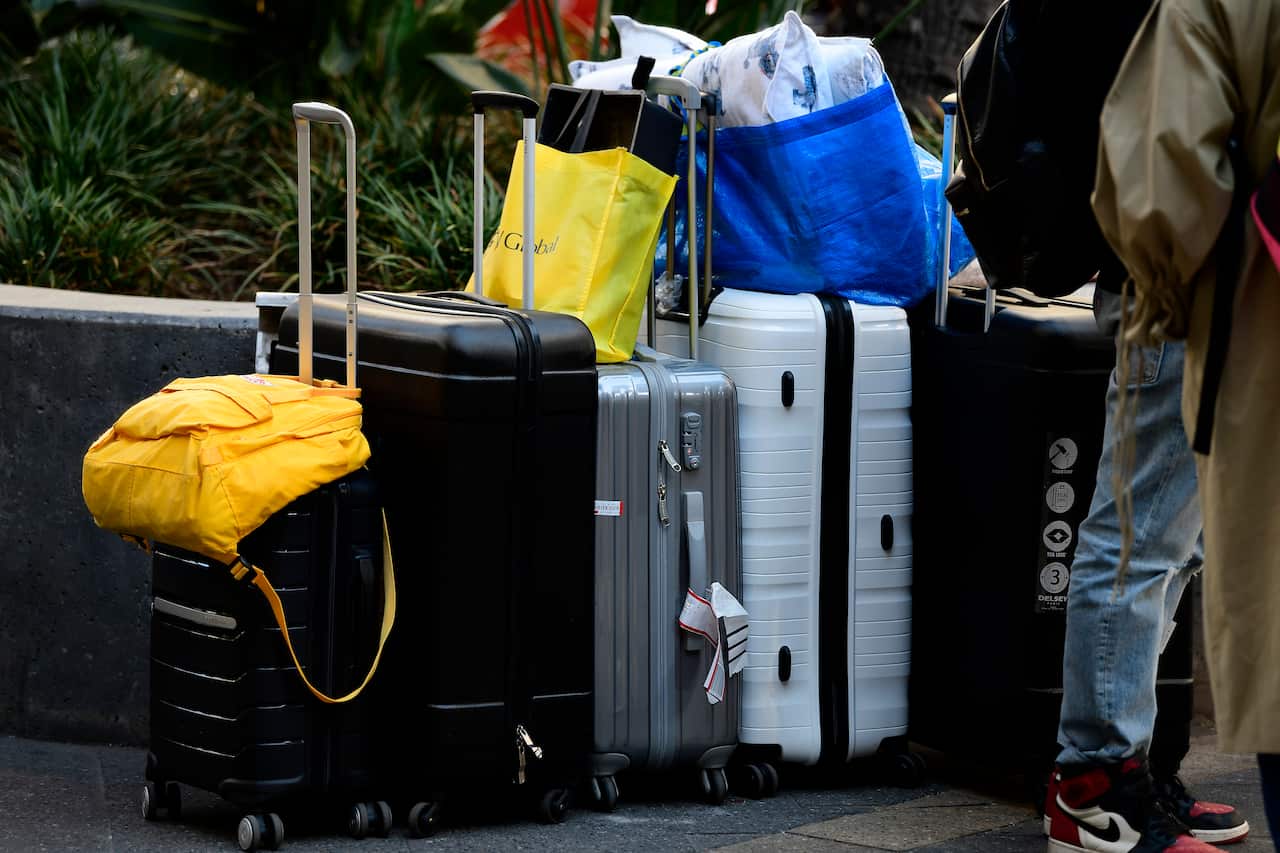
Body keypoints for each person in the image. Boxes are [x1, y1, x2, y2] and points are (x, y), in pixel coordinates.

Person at [1086, 0, 1280, 847]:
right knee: (1147, 538)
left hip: (1214, 291)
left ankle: (1126, 768)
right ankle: (1101, 775)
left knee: (1168, 544)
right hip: (1204, 294)